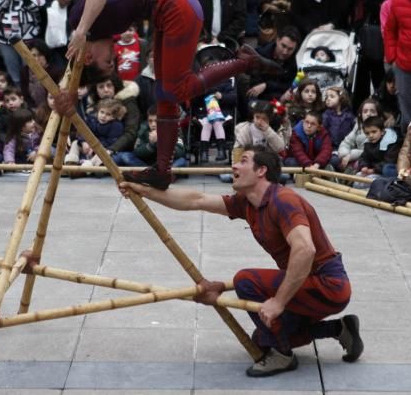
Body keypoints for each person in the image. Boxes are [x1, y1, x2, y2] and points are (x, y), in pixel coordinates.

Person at [119, 146, 362, 376]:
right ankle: (340, 329)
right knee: (263, 337)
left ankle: (283, 356)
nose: (234, 165)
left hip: (328, 285)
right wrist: (145, 192)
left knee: (246, 281)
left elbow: (305, 250)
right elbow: (196, 199)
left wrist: (278, 302)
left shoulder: (284, 201)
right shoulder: (247, 204)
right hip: (305, 283)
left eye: (243, 160)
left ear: (261, 171)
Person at [60, 0, 283, 189]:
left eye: (108, 60)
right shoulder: (96, 33)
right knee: (164, 94)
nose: (114, 56)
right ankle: (162, 170)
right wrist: (67, 94)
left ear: (87, 56)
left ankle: (244, 63)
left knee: (176, 89)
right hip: (169, 10)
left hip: (175, 5)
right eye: (112, 60)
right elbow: (73, 73)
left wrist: (80, 31)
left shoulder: (80, 23)